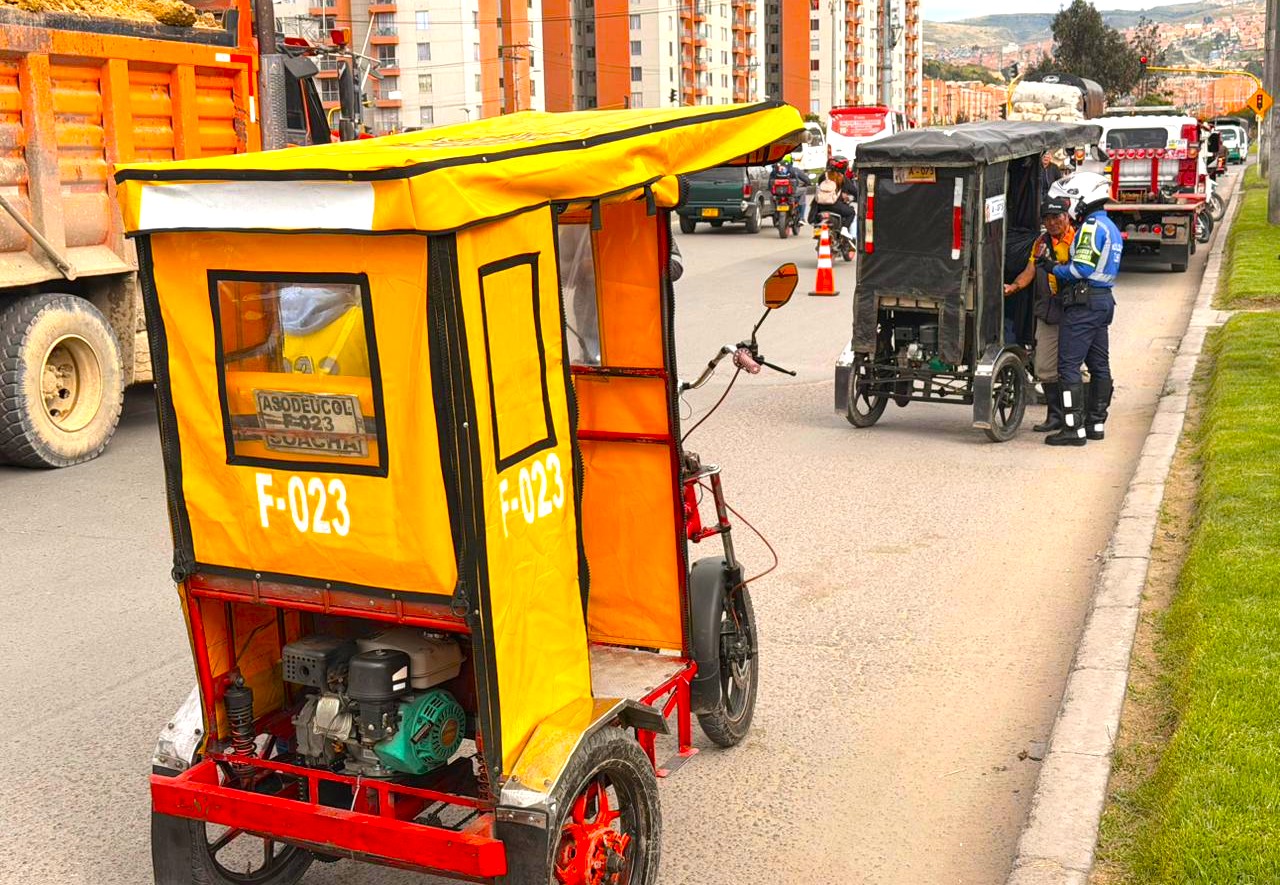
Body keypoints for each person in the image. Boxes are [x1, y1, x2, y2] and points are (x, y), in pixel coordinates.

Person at [1045, 171, 1121, 447]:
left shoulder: (1090, 227)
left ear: (1083, 198)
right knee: (1099, 364)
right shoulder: (1110, 227)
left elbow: (1081, 268)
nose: (1068, 206)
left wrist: (1053, 268)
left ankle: (1072, 429)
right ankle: (1096, 423)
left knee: (1068, 367)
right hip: (1104, 300)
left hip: (1084, 302)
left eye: (1070, 200)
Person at [1002, 196, 1075, 432]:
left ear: (1067, 217)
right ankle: (1055, 416)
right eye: (1047, 218)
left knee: (1072, 366)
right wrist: (1013, 287)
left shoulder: (1078, 239)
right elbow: (1030, 271)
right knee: (1044, 366)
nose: (1052, 222)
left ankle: (1077, 417)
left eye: (1057, 217)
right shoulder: (1041, 242)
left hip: (1075, 310)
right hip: (1048, 310)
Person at [769, 156, 809, 225]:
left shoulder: (774, 170)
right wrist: (808, 183)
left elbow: (769, 183)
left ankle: (775, 215)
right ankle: (801, 218)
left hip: (777, 193)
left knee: (772, 197)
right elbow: (806, 180)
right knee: (803, 191)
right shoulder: (794, 170)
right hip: (792, 193)